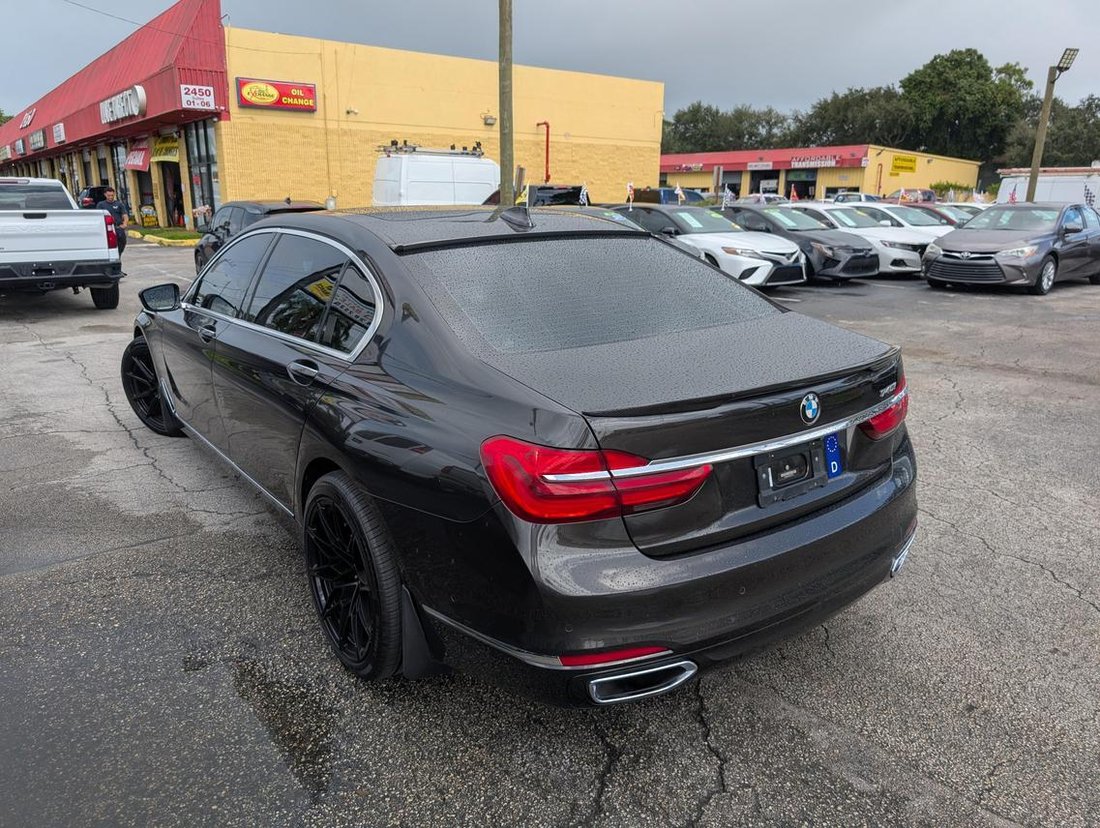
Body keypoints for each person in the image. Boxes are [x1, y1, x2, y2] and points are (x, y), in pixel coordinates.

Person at [95, 187, 130, 261]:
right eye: (108, 195)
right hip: (107, 229)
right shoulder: (101, 204)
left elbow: (125, 215)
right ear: (105, 195)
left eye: (112, 195)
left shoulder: (119, 204)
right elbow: (98, 217)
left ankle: (118, 256)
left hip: (118, 228)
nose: (110, 197)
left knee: (122, 243)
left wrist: (125, 224)